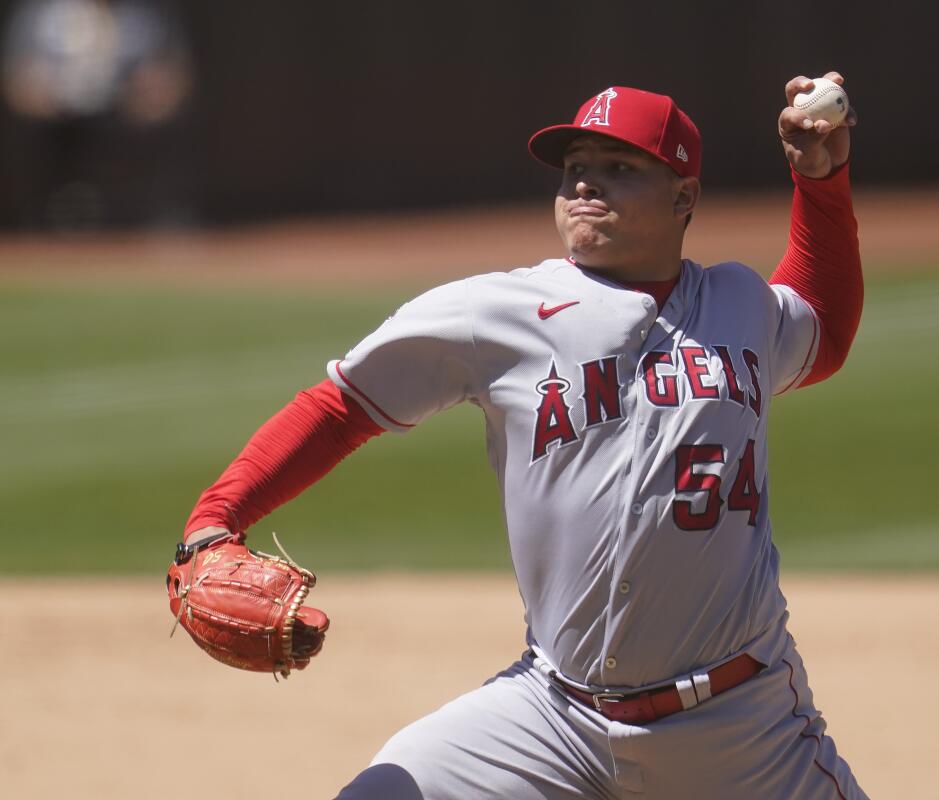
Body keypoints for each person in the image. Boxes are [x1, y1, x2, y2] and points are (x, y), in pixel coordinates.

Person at [176, 72, 868, 799]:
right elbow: (340, 407)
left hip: (741, 727)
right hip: (554, 715)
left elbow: (823, 321)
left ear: (683, 197)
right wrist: (214, 519)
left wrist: (820, 180)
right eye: (575, 171)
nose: (585, 188)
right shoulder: (494, 312)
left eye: (619, 169)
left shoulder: (740, 305)